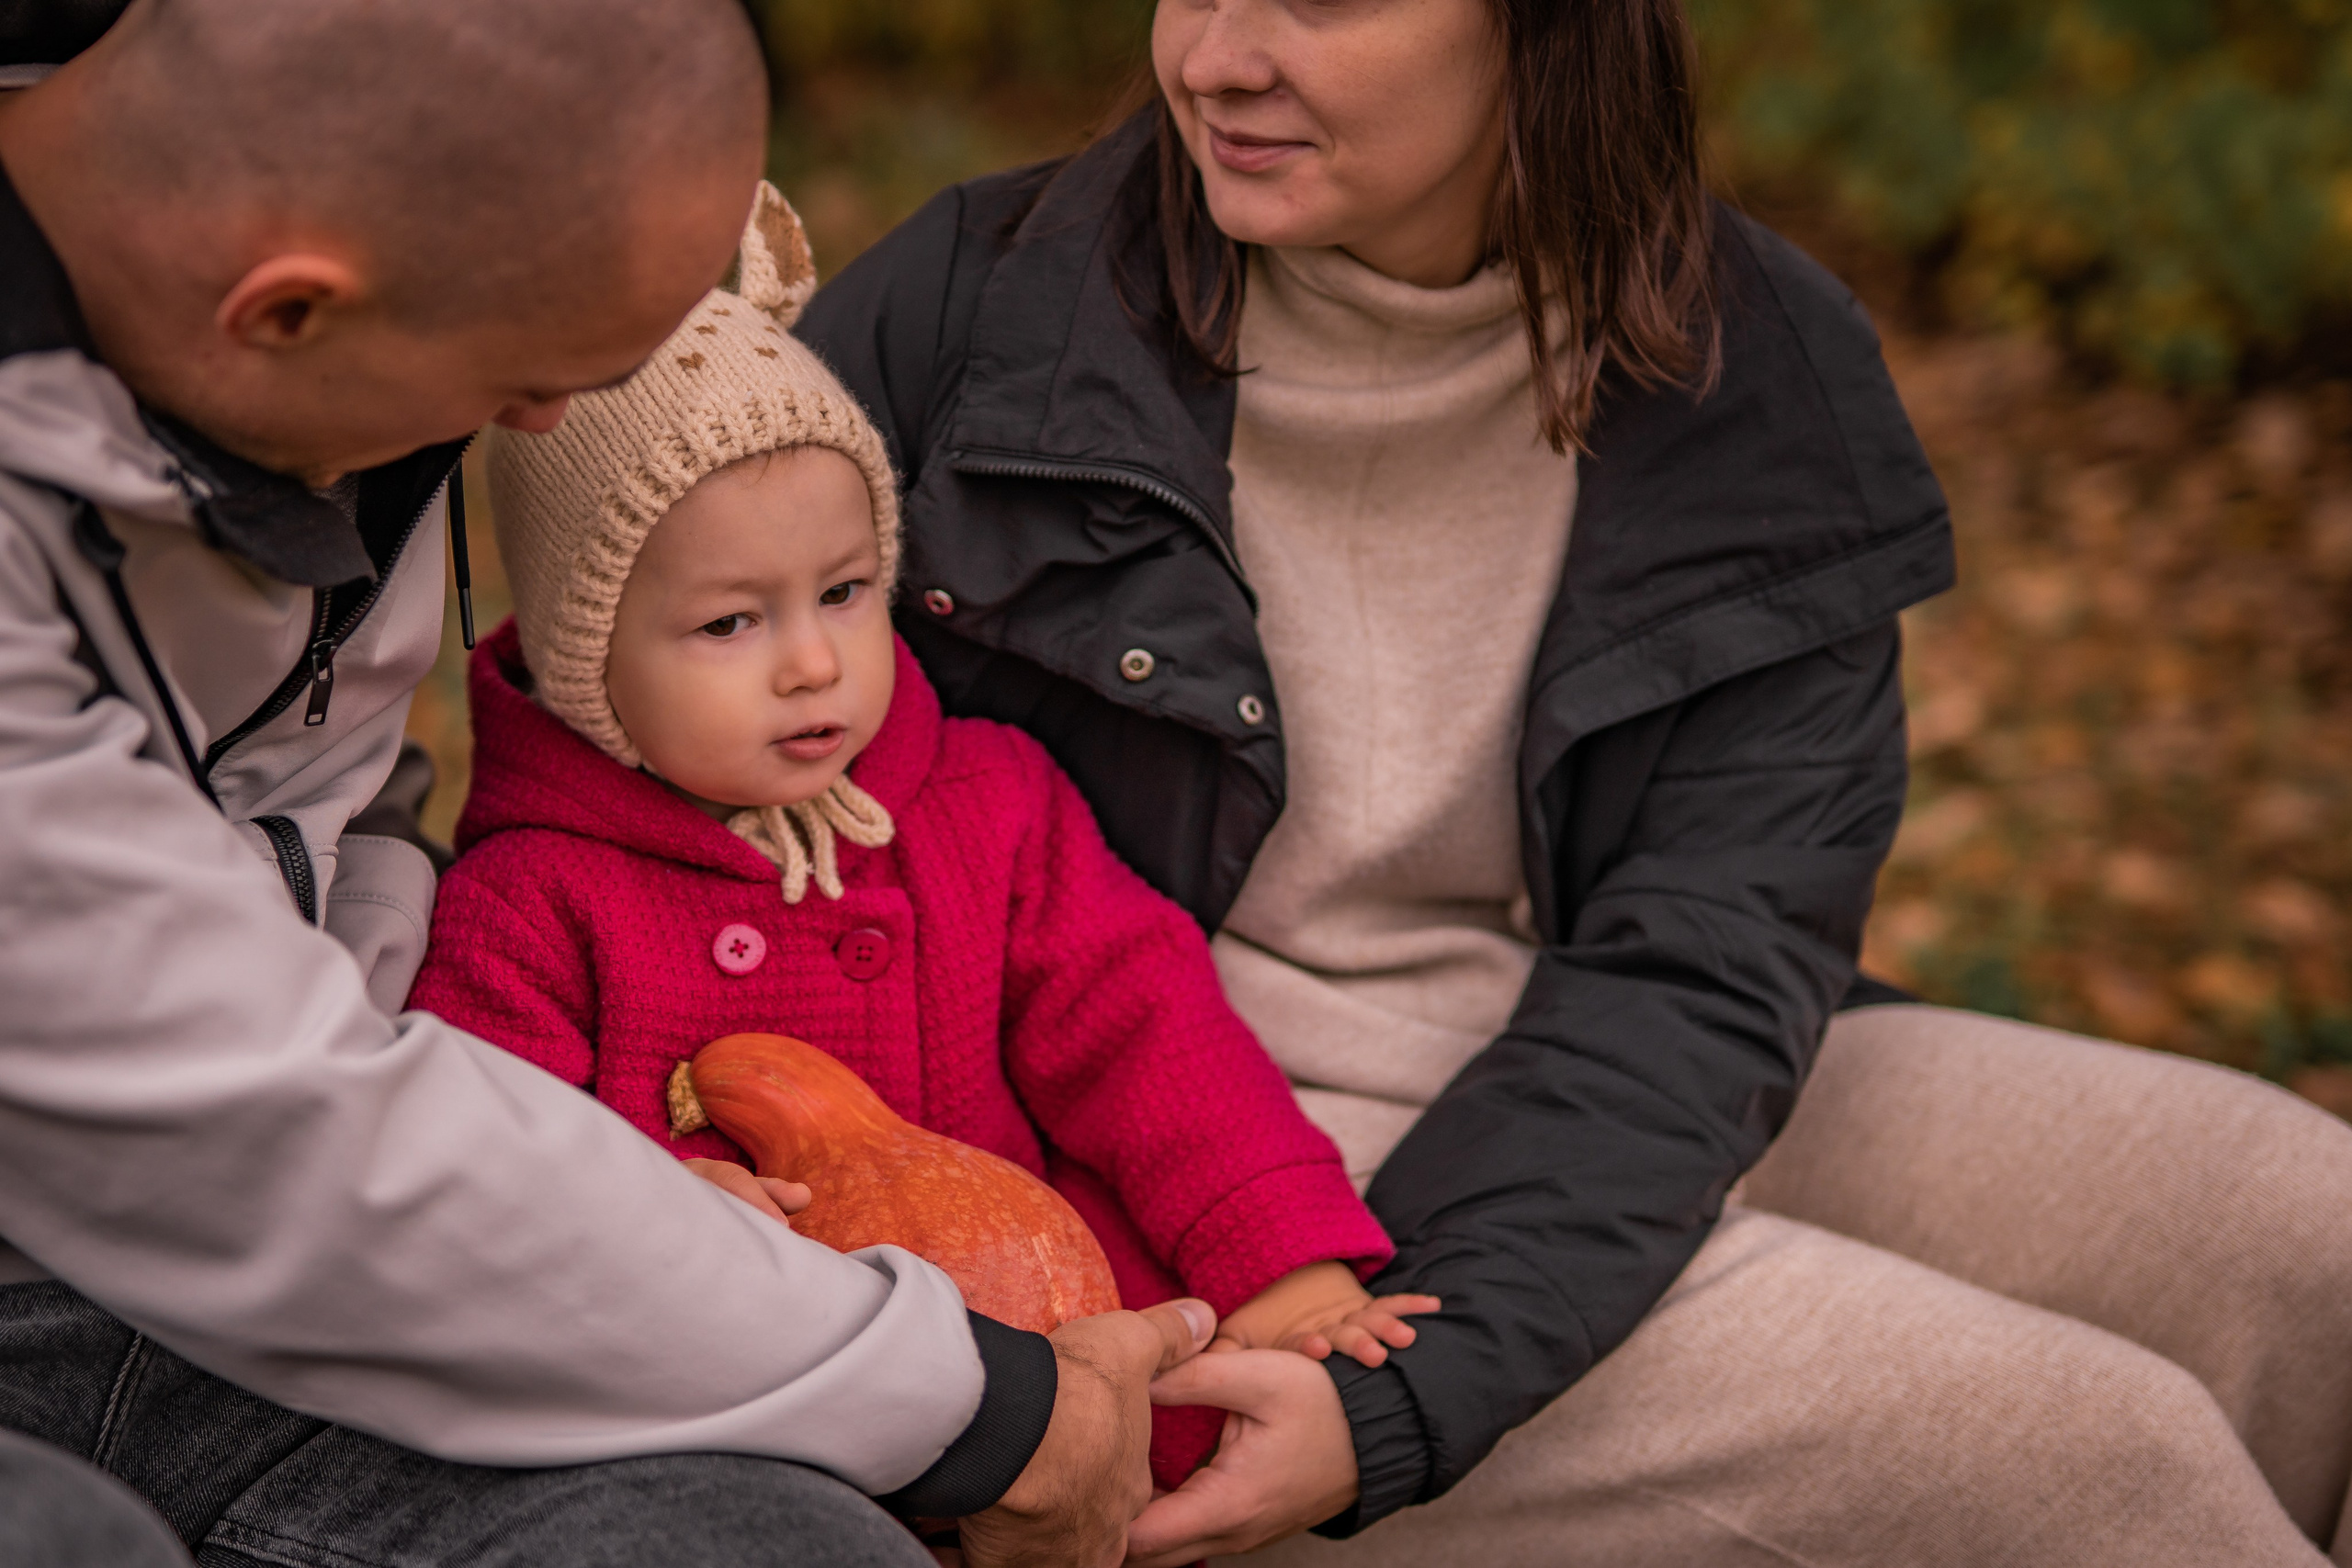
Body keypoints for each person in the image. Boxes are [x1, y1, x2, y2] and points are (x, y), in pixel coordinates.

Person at [792, 0, 2352, 1562]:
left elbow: (1710, 953)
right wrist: (1385, 1392)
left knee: (2310, 1233)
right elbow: (640, 741)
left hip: (1585, 1057)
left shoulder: (1763, 368)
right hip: (1185, 1165)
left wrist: (1432, 1375)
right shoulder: (979, 312)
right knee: (2108, 1466)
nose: (1214, 56)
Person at [0, 5, 1215, 1566]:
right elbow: (256, 1132)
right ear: (286, 309)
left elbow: (317, 810)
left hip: (282, 1310)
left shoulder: (276, 346)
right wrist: (979, 1406)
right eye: (518, 383)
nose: (549, 432)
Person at [404, 185, 1432, 1501]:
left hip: (1036, 1326)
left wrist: (1278, 1259)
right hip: (735, 1414)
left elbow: (1147, 1034)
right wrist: (651, 1212)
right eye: (731, 625)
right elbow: (493, 1159)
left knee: (1174, 1422)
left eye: (843, 593)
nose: (813, 664)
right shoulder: (534, 897)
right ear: (582, 651)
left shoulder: (982, 803)